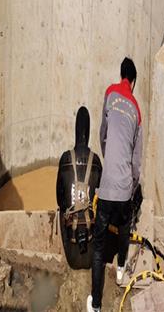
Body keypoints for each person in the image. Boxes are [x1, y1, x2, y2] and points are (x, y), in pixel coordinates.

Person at [87, 58, 143, 312]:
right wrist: (132, 187)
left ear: (121, 76)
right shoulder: (137, 110)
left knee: (98, 248)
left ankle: (96, 305)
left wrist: (109, 159)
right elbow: (136, 160)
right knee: (123, 228)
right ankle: (121, 271)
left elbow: (102, 133)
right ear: (133, 81)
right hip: (123, 189)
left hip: (107, 185)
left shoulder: (110, 94)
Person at [56, 106, 102, 269]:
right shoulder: (96, 160)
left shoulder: (65, 158)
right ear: (88, 133)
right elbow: (100, 196)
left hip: (72, 256)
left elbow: (59, 199)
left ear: (75, 132)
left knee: (62, 208)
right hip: (91, 250)